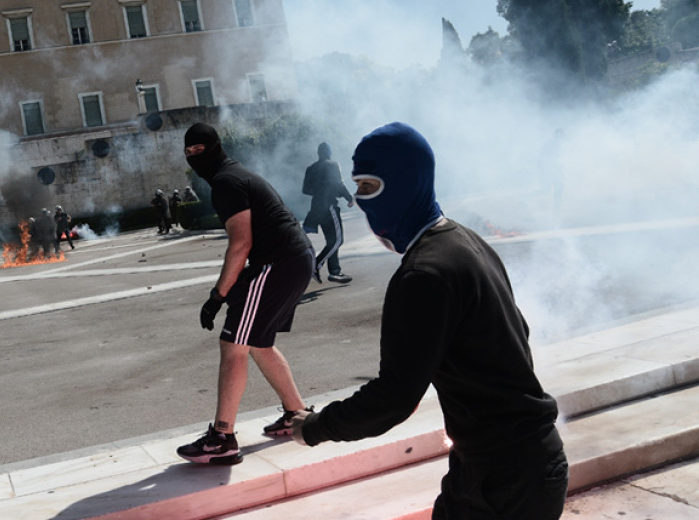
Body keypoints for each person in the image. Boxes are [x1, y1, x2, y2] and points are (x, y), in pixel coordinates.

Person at [289, 122, 567, 519]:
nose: (362, 200)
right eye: (358, 187)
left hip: (504, 478)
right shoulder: (466, 240)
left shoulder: (423, 275)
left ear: (406, 182)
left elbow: (394, 397)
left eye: (369, 186)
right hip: (509, 464)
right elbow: (519, 333)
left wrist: (315, 427)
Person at [176, 122, 317, 465]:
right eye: (188, 152)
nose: (194, 157)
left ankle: (222, 437)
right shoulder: (234, 174)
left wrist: (217, 296)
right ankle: (297, 415)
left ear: (215, 147)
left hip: (278, 262)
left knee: (233, 344)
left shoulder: (226, 182)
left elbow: (241, 243)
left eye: (200, 150)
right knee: (257, 342)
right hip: (294, 258)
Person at [301, 141, 356, 284]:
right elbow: (339, 184)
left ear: (318, 153)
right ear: (329, 152)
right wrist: (349, 198)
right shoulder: (333, 164)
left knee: (331, 240)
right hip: (329, 206)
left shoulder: (311, 168)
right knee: (337, 240)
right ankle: (315, 265)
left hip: (316, 208)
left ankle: (335, 272)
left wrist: (320, 191)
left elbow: (305, 190)